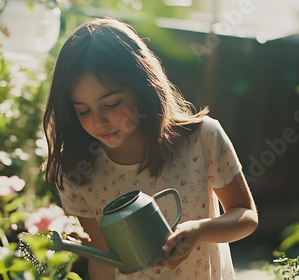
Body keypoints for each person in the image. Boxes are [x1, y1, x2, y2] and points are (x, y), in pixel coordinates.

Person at [42, 17, 258, 280]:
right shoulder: (78, 172)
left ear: (143, 87)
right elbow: (102, 259)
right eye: (83, 110)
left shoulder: (202, 138)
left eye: (111, 103)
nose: (99, 121)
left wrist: (201, 229)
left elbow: (245, 215)